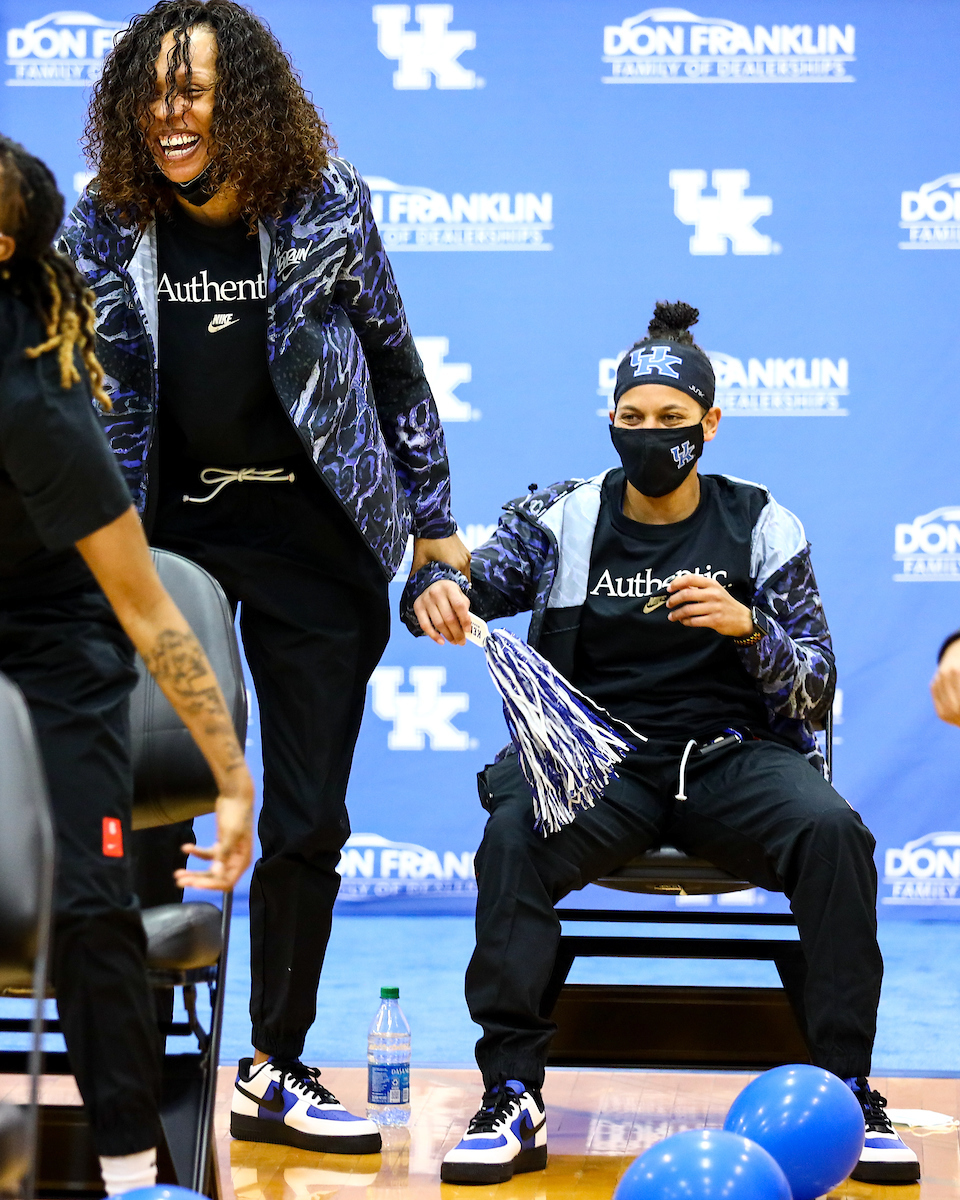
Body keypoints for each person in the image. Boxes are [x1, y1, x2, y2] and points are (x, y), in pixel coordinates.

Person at [60, 0, 468, 1153]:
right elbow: (62, 376)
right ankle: (131, 1058)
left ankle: (275, 1067)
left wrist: (433, 523)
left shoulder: (325, 204)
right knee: (143, 790)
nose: (168, 113)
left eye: (191, 89)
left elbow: (392, 362)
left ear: (242, 102)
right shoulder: (106, 220)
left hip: (312, 532)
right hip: (169, 530)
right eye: (150, 90)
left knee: (305, 813)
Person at [403, 301, 919, 1188]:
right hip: (597, 765)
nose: (650, 436)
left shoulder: (763, 524)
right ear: (609, 421)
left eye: (671, 421)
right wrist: (434, 593)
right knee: (514, 838)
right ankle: (513, 1094)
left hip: (731, 759)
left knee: (834, 834)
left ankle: (847, 1087)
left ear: (709, 424)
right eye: (632, 419)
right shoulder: (563, 518)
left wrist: (749, 627)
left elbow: (819, 686)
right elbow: (463, 585)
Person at [0, 136, 254, 1195]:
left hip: (52, 645)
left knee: (91, 896)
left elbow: (145, 607)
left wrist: (233, 781)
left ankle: (132, 1169)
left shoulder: (32, 401)